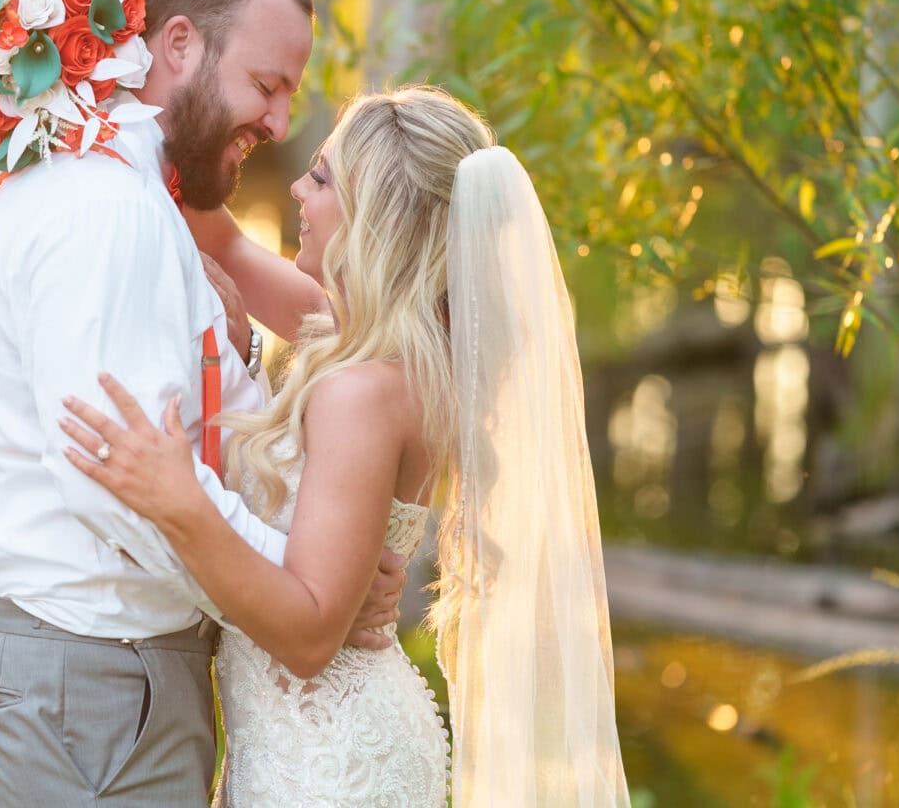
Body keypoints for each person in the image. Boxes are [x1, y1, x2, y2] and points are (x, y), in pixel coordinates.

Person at [0, 0, 407, 806]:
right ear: (178, 44)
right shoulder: (109, 211)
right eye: (266, 85)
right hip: (74, 681)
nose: (280, 126)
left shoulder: (140, 200)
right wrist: (302, 587)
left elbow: (181, 447)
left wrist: (331, 556)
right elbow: (124, 493)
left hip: (95, 679)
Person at [63, 85, 633, 805]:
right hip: (312, 743)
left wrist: (179, 501)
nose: (297, 186)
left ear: (379, 218)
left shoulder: (362, 390)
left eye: (324, 178)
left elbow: (306, 637)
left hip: (328, 762)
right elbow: (225, 240)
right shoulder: (388, 350)